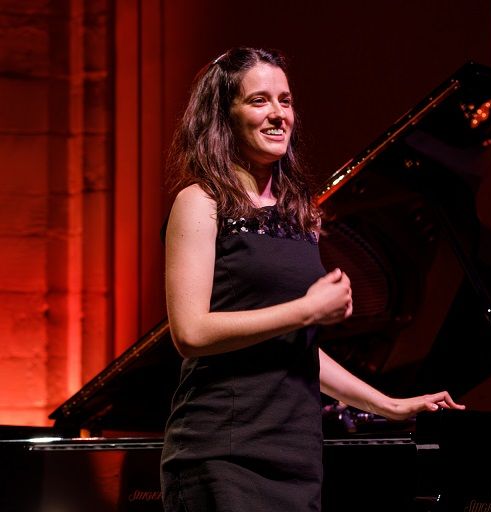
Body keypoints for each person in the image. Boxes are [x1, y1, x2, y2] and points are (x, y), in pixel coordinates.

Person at [160, 47, 464, 512]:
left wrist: (389, 404)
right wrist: (306, 310)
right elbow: (190, 332)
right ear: (224, 115)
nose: (278, 113)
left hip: (296, 453)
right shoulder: (200, 202)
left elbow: (298, 348)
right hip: (222, 450)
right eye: (259, 100)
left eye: (285, 100)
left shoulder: (300, 217)